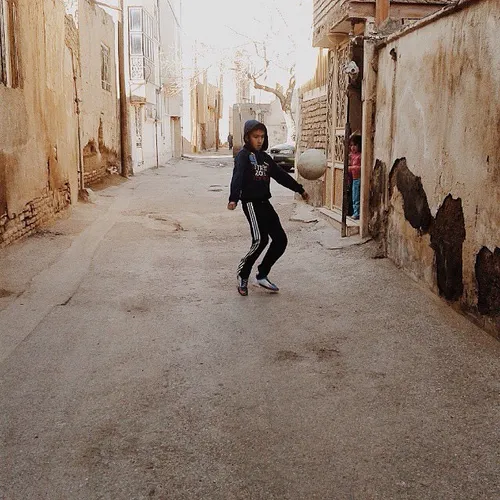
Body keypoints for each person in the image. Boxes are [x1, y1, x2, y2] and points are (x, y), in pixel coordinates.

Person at [228, 120, 309, 296]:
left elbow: (281, 176)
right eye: (255, 136)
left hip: (265, 203)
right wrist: (233, 198)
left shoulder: (265, 159)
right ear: (247, 137)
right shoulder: (242, 156)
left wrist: (299, 189)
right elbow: (238, 177)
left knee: (281, 240)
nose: (259, 140)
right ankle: (242, 275)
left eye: (262, 137)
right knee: (260, 240)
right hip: (250, 203)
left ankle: (262, 274)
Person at [348, 134, 362, 220]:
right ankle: (354, 211)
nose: (353, 147)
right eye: (351, 145)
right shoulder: (352, 156)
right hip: (353, 179)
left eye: (355, 145)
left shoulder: (360, 156)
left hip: (358, 178)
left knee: (356, 196)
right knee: (353, 196)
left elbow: (361, 167)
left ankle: (357, 213)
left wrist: (351, 168)